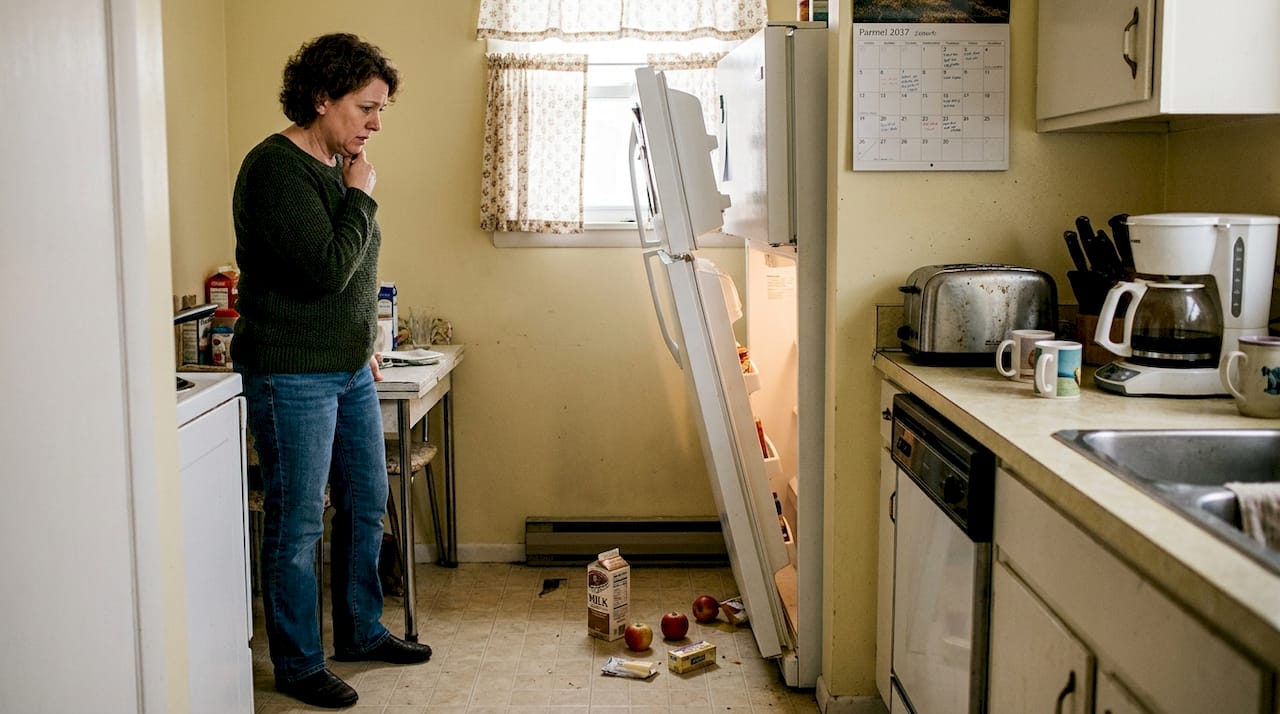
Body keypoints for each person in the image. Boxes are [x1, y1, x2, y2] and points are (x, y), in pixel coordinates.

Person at [231, 33, 429, 709]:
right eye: (366, 107)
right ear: (322, 98)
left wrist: (361, 340)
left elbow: (351, 276)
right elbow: (324, 269)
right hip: (292, 375)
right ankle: (298, 662)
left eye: (380, 111)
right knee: (298, 523)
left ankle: (362, 631)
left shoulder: (339, 171)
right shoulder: (276, 170)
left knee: (368, 502)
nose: (376, 123)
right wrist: (361, 196)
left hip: (345, 369)